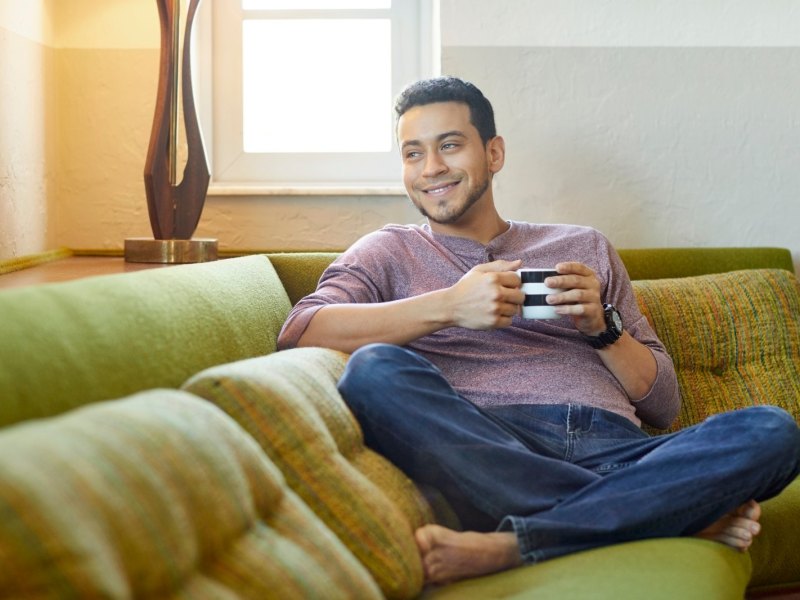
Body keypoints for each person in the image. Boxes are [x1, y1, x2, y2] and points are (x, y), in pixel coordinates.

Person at [277, 76, 800, 584]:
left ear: (494, 154)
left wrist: (604, 329)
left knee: (773, 431)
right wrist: (450, 306)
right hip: (490, 447)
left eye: (450, 145)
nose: (431, 168)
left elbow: (665, 406)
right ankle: (658, 513)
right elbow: (300, 332)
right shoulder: (386, 251)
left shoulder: (584, 246)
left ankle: (523, 540)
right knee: (374, 371)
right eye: (413, 153)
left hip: (615, 449)